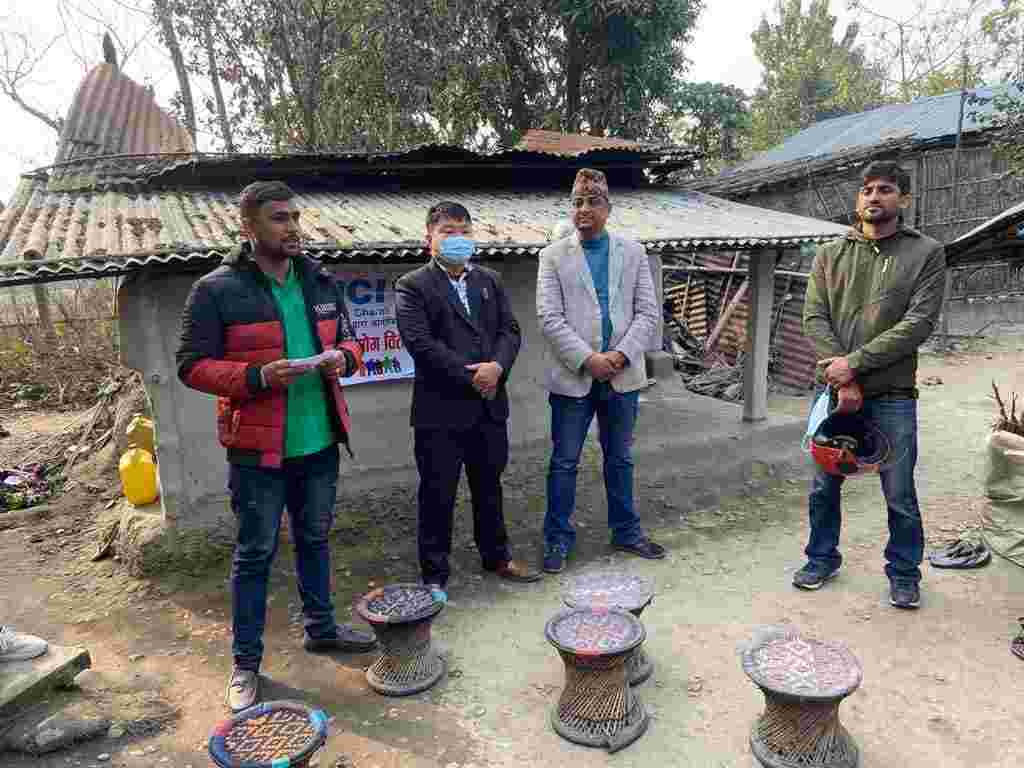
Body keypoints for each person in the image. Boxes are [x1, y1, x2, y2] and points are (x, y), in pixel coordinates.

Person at [177, 181, 376, 713]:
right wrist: (257, 376)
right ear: (249, 227)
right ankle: (245, 664)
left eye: (295, 217)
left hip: (319, 441)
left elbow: (351, 340)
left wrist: (345, 359)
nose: (293, 228)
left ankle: (322, 629)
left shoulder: (319, 279)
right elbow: (190, 366)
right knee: (255, 554)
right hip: (258, 451)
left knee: (314, 539)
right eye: (279, 219)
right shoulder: (216, 290)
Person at [797, 160, 946, 610]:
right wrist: (839, 376)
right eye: (867, 190)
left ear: (904, 199)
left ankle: (903, 574)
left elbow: (918, 324)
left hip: (893, 395)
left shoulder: (925, 253)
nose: (874, 197)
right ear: (858, 198)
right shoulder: (830, 254)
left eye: (885, 189)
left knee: (898, 492)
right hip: (833, 394)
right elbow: (814, 318)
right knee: (824, 484)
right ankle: (821, 558)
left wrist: (853, 366)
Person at [395, 202, 541, 599]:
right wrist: (474, 375)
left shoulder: (489, 280)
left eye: (464, 231)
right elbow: (421, 344)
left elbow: (510, 331)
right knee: (437, 494)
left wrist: (497, 367)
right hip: (440, 411)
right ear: (429, 238)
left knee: (489, 486)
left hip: (489, 407)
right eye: (448, 231)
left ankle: (497, 557)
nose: (457, 239)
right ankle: (434, 575)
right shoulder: (412, 285)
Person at [537, 168, 665, 574]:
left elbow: (647, 313)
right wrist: (589, 359)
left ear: (608, 208)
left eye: (593, 202)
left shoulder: (634, 253)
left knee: (620, 458)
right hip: (573, 376)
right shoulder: (552, 256)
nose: (584, 209)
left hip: (622, 376)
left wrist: (621, 356)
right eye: (577, 202)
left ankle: (626, 531)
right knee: (564, 462)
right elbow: (549, 318)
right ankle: (557, 539)